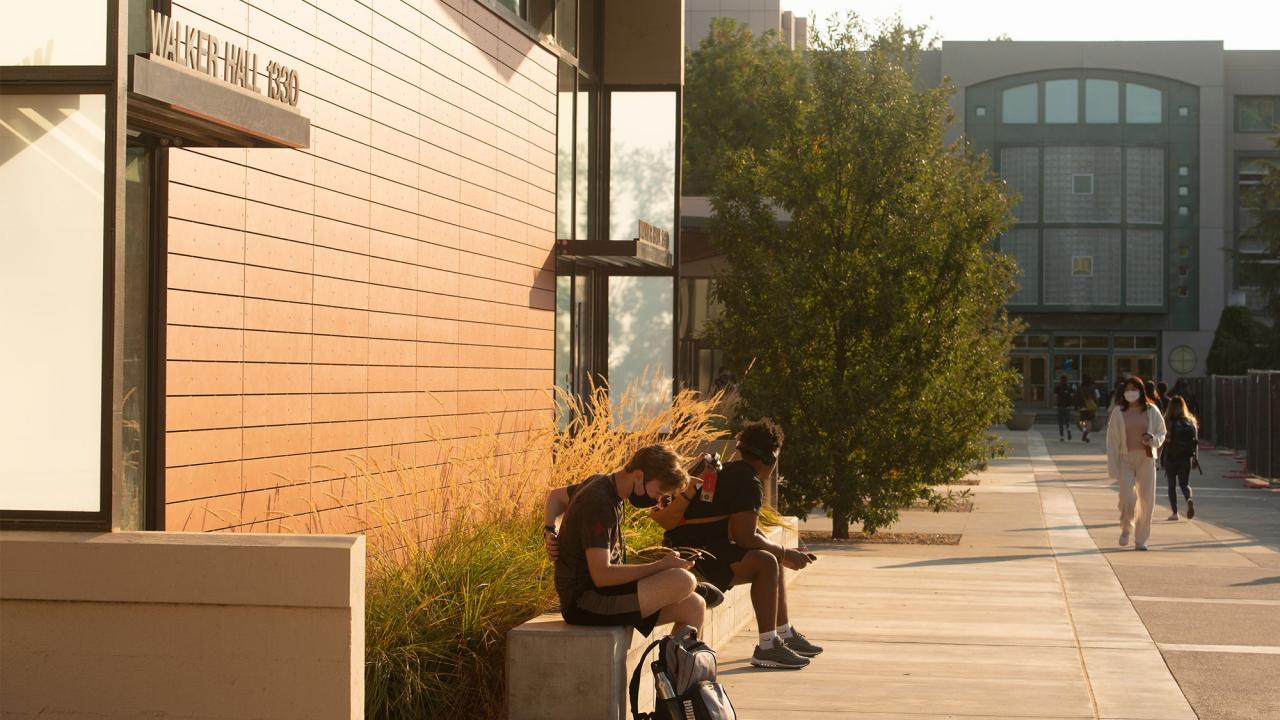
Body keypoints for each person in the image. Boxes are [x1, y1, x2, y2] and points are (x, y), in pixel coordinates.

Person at [652, 419, 820, 670]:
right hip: (699, 556)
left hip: (692, 547)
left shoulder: (731, 471)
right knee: (766, 561)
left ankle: (782, 633)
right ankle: (767, 647)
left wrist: (784, 554)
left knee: (772, 557)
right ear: (771, 459)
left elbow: (746, 530)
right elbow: (745, 538)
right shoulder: (748, 482)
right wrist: (784, 553)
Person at [543, 444, 708, 639]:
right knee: (684, 580)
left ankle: (676, 669)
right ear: (639, 476)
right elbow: (602, 575)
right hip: (586, 602)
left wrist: (549, 530)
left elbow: (555, 496)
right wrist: (661, 566)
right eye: (658, 492)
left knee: (695, 606)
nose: (657, 500)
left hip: (606, 593)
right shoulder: (599, 503)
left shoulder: (602, 482)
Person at [1106, 376, 1168, 551]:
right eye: (1127, 389)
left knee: (1146, 499)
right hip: (1125, 458)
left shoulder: (1151, 410)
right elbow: (1111, 440)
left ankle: (1141, 539)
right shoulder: (1118, 412)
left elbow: (1162, 432)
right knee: (1127, 497)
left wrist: (1153, 439)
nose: (1130, 392)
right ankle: (1126, 526)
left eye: (1134, 389)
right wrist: (1113, 464)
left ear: (1141, 391)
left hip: (1146, 458)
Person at [1162, 396, 1199, 521]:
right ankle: (1188, 498)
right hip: (1186, 457)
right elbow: (1195, 442)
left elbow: (1163, 441)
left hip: (1171, 457)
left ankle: (1175, 513)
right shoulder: (1191, 421)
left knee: (1171, 485)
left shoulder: (1167, 421)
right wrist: (1195, 458)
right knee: (1185, 484)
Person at [1076, 374, 1098, 443]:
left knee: (1082, 421)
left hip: (1082, 406)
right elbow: (1094, 397)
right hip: (1090, 407)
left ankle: (1084, 429)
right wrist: (1096, 404)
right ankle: (1088, 436)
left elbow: (1077, 397)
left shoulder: (1080, 387)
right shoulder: (1091, 387)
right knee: (1089, 421)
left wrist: (1077, 406)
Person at [1053, 375, 1074, 441]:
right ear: (1067, 380)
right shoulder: (1069, 387)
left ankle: (1062, 436)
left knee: (1060, 422)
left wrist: (1056, 402)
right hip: (1067, 406)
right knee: (1067, 421)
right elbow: (1072, 396)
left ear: (1061, 380)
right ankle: (1069, 430)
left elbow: (1055, 396)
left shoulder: (1058, 387)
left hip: (1060, 406)